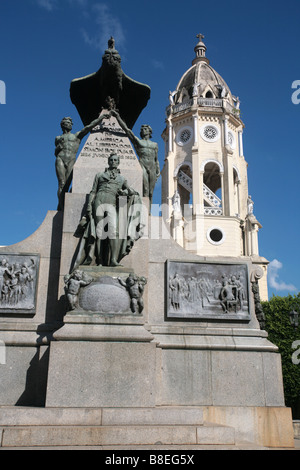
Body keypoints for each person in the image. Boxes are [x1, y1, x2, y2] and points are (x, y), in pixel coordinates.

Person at [73, 153, 143, 269]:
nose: (113, 162)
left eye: (115, 160)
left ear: (118, 162)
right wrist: (89, 207)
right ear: (108, 161)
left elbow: (131, 191)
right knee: (100, 233)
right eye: (111, 160)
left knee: (114, 231)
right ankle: (99, 260)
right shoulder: (99, 175)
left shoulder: (121, 178)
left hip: (111, 203)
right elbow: (93, 191)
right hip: (98, 201)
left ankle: (113, 260)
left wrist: (125, 192)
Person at [55, 113, 110, 209]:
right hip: (60, 158)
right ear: (63, 124)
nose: (69, 125)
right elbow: (55, 152)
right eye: (67, 123)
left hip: (71, 159)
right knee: (61, 183)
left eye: (70, 123)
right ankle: (60, 206)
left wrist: (100, 118)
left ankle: (66, 204)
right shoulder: (58, 138)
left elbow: (88, 127)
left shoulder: (76, 136)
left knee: (68, 183)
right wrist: (58, 148)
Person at [110, 109, 160, 209]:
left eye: (146, 129)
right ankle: (144, 211)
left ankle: (149, 212)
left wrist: (158, 169)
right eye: (142, 129)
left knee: (151, 192)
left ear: (149, 132)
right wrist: (117, 117)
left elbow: (156, 158)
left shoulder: (155, 144)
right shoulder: (138, 142)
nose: (143, 130)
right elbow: (128, 131)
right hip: (143, 164)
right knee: (145, 189)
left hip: (153, 167)